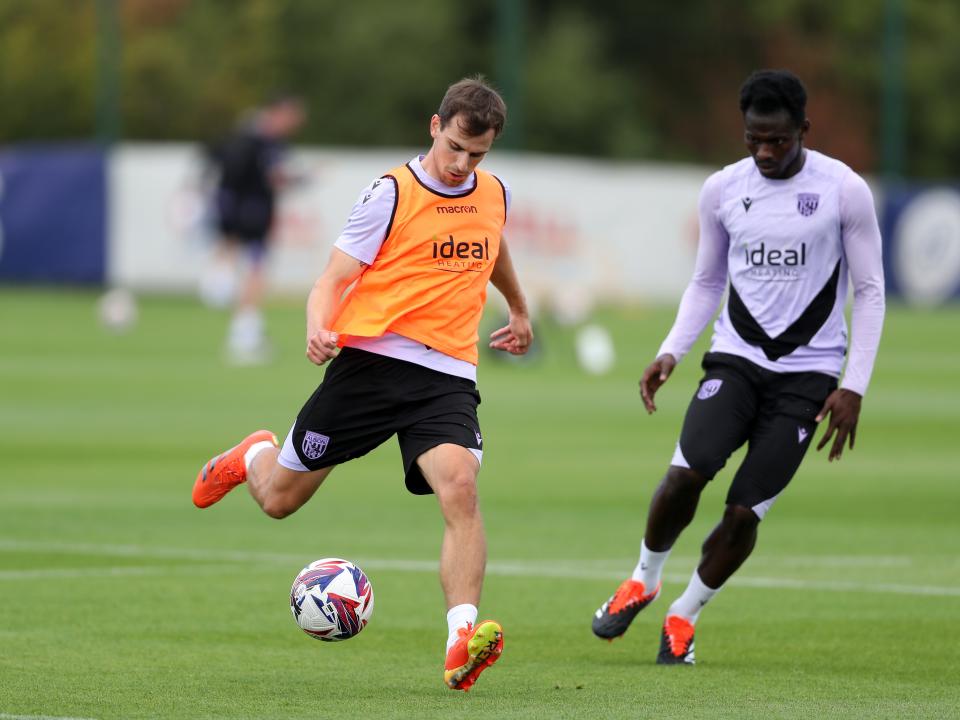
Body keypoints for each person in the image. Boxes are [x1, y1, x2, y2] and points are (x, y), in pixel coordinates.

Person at [192, 77, 532, 691]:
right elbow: (331, 277)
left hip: (448, 373)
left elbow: (494, 242)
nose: (462, 164)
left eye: (477, 155)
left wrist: (519, 308)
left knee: (461, 489)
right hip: (371, 367)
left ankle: (461, 640)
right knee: (278, 501)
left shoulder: (493, 191)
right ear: (435, 126)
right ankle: (255, 455)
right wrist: (318, 327)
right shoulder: (390, 194)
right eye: (456, 146)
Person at [591, 70, 885, 664]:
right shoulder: (723, 190)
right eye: (755, 139)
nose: (766, 152)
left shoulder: (844, 190)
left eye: (778, 139)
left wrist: (853, 386)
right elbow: (706, 280)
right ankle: (644, 579)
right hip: (736, 358)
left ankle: (684, 614)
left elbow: (872, 290)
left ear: (803, 129)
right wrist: (671, 349)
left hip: (809, 375)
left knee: (744, 512)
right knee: (685, 474)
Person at [202, 94, 306, 363]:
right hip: (250, 214)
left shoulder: (255, 138)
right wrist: (304, 178)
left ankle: (245, 327)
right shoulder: (260, 141)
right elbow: (271, 177)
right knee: (256, 271)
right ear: (280, 112)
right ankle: (243, 332)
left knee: (250, 269)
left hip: (244, 213)